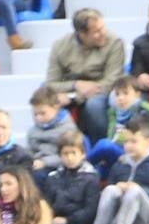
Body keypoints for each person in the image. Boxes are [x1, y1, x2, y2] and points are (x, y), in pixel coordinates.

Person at [46, 8, 126, 140]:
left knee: (93, 104)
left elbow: (112, 80)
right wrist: (76, 85)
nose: (103, 33)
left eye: (102, 28)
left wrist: (77, 97)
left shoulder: (115, 42)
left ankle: (101, 147)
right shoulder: (60, 46)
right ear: (82, 34)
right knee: (46, 102)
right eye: (97, 31)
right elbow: (50, 84)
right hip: (72, 90)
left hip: (103, 92)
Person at [86, 75, 149, 176]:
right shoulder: (114, 113)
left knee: (105, 145)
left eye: (125, 93)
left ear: (138, 95)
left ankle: (80, 165)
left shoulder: (146, 112)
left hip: (138, 156)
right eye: (117, 94)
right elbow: (112, 137)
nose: (121, 98)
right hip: (119, 155)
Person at [42, 132, 100, 224]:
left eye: (73, 153)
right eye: (65, 154)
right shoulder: (53, 177)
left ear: (82, 154)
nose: (69, 158)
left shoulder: (91, 178)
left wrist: (67, 219)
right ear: (60, 155)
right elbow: (46, 204)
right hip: (55, 223)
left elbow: (90, 211)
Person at [26, 86, 76, 175]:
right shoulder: (33, 131)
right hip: (37, 164)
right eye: (35, 114)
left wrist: (44, 162)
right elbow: (30, 151)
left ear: (56, 107)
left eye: (42, 113)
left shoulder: (68, 129)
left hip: (59, 168)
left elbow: (69, 156)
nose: (39, 118)